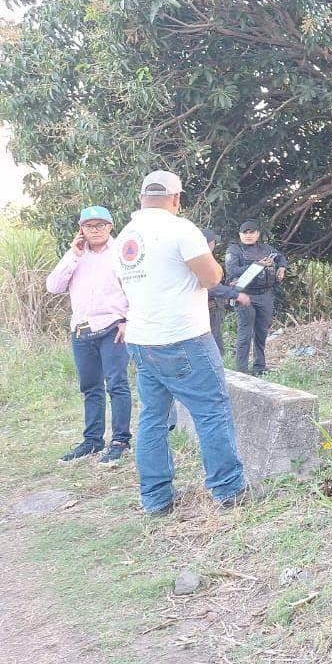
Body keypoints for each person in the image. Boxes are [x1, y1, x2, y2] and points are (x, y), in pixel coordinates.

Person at [114, 170, 247, 515]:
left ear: (142, 197)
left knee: (153, 418)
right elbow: (211, 277)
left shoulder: (126, 236)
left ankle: (156, 500)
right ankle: (228, 491)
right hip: (183, 338)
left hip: (142, 340)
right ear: (176, 198)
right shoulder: (180, 229)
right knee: (211, 411)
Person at [45, 206, 133, 465]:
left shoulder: (122, 252)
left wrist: (128, 320)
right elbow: (53, 286)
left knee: (117, 384)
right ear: (81, 229)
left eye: (100, 225)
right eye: (89, 226)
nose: (95, 230)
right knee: (90, 387)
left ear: (110, 226)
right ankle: (93, 440)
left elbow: (135, 287)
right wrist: (74, 255)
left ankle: (120, 441)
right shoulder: (75, 254)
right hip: (82, 329)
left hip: (113, 328)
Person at [224, 219, 286, 376]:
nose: (248, 235)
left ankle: (260, 366)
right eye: (245, 233)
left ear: (258, 234)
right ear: (239, 235)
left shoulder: (265, 248)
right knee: (245, 332)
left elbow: (280, 257)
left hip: (265, 295)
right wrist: (257, 265)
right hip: (245, 295)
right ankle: (242, 370)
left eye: (252, 232)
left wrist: (282, 268)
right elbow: (233, 271)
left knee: (262, 332)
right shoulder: (234, 250)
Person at [201, 228, 251, 358]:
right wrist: (237, 295)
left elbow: (214, 284)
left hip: (210, 307)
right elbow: (211, 287)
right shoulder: (203, 261)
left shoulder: (202, 259)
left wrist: (228, 287)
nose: (215, 244)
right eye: (213, 242)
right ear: (208, 243)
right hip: (209, 308)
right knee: (214, 344)